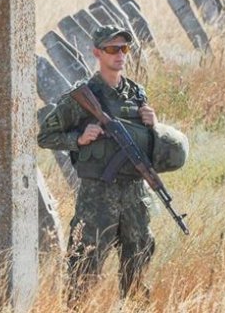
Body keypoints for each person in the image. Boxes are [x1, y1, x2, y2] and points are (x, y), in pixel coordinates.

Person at [37, 25, 162, 303]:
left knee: (138, 264)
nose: (120, 54)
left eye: (124, 49)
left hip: (134, 196)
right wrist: (79, 138)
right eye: (112, 49)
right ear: (97, 52)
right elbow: (45, 136)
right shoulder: (83, 95)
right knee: (83, 269)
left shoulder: (137, 94)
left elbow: (149, 144)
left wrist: (155, 126)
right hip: (96, 199)